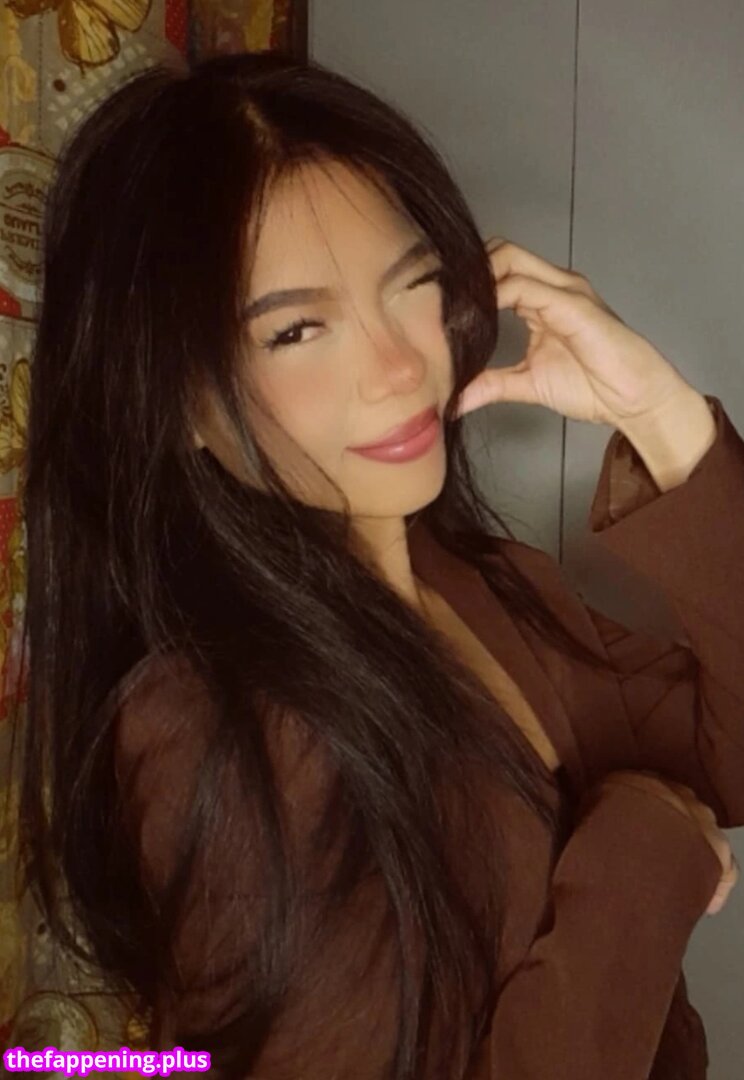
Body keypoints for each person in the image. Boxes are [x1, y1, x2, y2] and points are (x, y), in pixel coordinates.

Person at [15, 48, 742, 1080]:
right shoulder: (213, 732)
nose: (402, 366)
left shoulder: (482, 583)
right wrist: (645, 852)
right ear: (174, 398)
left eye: (414, 285)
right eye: (298, 330)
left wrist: (666, 424)